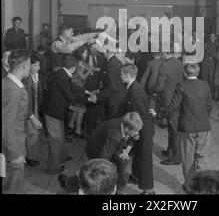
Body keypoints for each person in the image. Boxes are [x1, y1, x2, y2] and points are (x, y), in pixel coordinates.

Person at [152, 63, 213, 193]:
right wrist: (202, 117)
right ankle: (203, 187)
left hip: (187, 127)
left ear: (185, 73)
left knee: (188, 159)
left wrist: (159, 115)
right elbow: (209, 106)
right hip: (204, 127)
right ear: (198, 72)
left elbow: (173, 106)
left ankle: (190, 186)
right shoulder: (205, 85)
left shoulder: (182, 85)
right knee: (203, 157)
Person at [59, 112, 143, 194]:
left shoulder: (126, 122)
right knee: (90, 175)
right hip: (96, 150)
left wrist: (127, 150)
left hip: (113, 146)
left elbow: (130, 138)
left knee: (125, 166)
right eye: (136, 131)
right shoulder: (115, 135)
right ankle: (69, 183)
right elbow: (103, 160)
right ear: (127, 129)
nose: (137, 133)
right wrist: (109, 173)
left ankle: (118, 190)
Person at [43, 56, 96, 174]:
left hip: (57, 112)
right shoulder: (62, 76)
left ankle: (60, 158)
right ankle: (53, 168)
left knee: (60, 138)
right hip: (53, 112)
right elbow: (70, 95)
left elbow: (72, 86)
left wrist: (85, 92)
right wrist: (88, 100)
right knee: (55, 142)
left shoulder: (62, 73)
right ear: (73, 68)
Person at [120, 64, 155, 195]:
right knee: (138, 155)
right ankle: (135, 177)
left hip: (143, 130)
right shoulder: (133, 86)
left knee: (145, 159)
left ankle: (149, 190)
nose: (120, 76)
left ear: (128, 75)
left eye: (121, 74)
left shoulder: (135, 91)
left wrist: (136, 133)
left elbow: (140, 115)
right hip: (141, 128)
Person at [2, 49, 30, 194]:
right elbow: (6, 125)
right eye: (30, 64)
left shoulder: (8, 83)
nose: (30, 68)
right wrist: (14, 153)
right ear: (24, 65)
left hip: (12, 144)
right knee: (14, 187)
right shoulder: (13, 90)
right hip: (13, 148)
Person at [151, 48, 184, 165]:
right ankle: (171, 151)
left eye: (162, 54)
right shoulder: (180, 63)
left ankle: (175, 158)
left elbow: (160, 85)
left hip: (168, 99)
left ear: (165, 53)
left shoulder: (164, 66)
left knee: (173, 128)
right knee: (173, 127)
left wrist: (153, 90)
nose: (162, 56)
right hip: (179, 98)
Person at [68, 45, 94, 138]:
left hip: (79, 87)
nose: (87, 55)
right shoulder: (79, 63)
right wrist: (90, 69)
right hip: (77, 88)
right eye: (86, 53)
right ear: (82, 53)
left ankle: (71, 126)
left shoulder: (82, 61)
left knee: (76, 109)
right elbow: (83, 77)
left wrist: (92, 68)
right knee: (81, 110)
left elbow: (89, 67)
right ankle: (78, 131)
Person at [22, 54, 44, 166]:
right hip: (29, 109)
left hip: (35, 107)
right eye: (34, 66)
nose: (37, 68)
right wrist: (31, 115)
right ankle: (31, 157)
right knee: (33, 133)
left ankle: (29, 155)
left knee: (32, 133)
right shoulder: (26, 79)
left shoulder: (37, 76)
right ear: (28, 66)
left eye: (38, 65)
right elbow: (26, 100)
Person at [95, 50, 127, 120]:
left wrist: (97, 97)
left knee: (111, 124)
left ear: (106, 52)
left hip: (114, 100)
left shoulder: (111, 63)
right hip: (118, 98)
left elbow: (112, 87)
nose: (103, 54)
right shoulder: (116, 62)